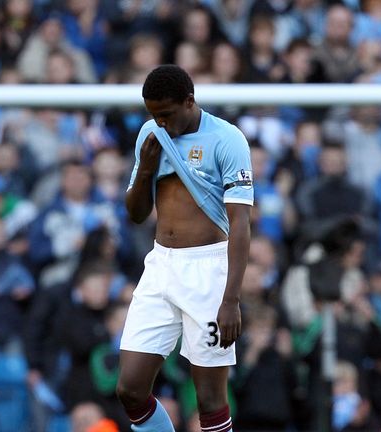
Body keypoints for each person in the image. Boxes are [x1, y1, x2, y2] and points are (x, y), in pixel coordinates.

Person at [116, 64, 252, 432]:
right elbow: (136, 214)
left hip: (208, 271)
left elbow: (240, 223)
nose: (159, 122)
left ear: (189, 101)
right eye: (152, 115)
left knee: (209, 400)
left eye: (166, 114)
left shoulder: (227, 139)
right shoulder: (151, 133)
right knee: (129, 389)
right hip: (161, 265)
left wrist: (230, 299)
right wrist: (145, 170)